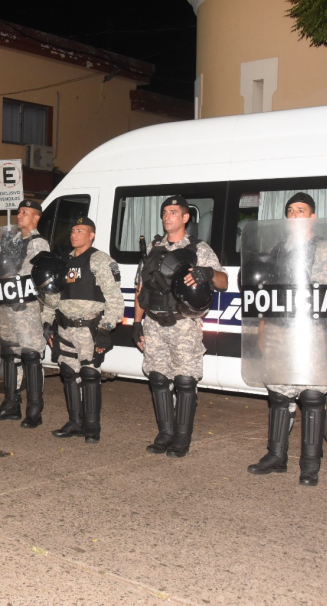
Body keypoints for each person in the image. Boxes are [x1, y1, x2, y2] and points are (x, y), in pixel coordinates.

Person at [247, 192, 327, 486]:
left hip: (311, 332)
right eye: (290, 211)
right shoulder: (277, 250)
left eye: (300, 210)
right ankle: (276, 457)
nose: (293, 215)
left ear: (312, 217)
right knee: (278, 394)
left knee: (313, 397)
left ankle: (310, 465)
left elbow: (323, 287)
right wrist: (263, 328)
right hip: (278, 331)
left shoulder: (325, 249)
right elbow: (266, 293)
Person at [134, 195, 228, 458]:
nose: (167, 216)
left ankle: (181, 438)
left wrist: (207, 273)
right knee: (158, 378)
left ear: (186, 218)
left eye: (173, 212)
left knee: (185, 382)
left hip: (183, 323)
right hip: (153, 323)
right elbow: (142, 289)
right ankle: (165, 434)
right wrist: (137, 323)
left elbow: (223, 282)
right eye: (165, 212)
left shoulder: (198, 248)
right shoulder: (153, 247)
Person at [42, 216, 124, 443]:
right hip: (66, 328)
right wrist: (48, 324)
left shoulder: (100, 261)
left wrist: (106, 330)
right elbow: (53, 298)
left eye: (80, 230)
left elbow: (115, 301)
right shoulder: (64, 262)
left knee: (89, 375)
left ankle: (91, 427)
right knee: (69, 374)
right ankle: (74, 422)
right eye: (73, 230)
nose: (74, 234)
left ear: (92, 235)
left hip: (89, 329)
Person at [0, 199, 51, 427]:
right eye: (19, 211)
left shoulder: (39, 244)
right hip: (6, 306)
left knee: (30, 356)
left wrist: (5, 276)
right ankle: (11, 404)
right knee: (9, 353)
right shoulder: (12, 241)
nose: (20, 215)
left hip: (25, 308)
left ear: (36, 218)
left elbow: (29, 274)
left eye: (25, 212)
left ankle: (34, 411)